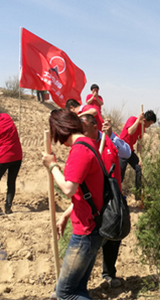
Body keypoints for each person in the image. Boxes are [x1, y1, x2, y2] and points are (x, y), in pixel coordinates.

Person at [57, 114, 130, 289]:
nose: (79, 127)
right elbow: (84, 191)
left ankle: (107, 275)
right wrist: (67, 214)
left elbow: (127, 152)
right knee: (89, 248)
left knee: (112, 242)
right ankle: (71, 287)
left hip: (112, 205)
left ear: (94, 125)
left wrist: (112, 135)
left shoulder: (107, 144)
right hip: (94, 209)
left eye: (82, 122)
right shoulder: (83, 148)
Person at [42, 109, 104, 300]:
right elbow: (84, 192)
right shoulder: (89, 144)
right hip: (92, 226)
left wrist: (52, 166)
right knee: (78, 288)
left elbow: (68, 189)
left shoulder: (80, 150)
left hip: (86, 230)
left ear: (59, 129)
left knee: (65, 293)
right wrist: (66, 214)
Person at [119, 110, 157, 199]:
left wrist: (140, 158)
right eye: (149, 124)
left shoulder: (143, 128)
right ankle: (117, 195)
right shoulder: (132, 119)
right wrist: (138, 120)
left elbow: (139, 144)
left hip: (130, 151)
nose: (149, 126)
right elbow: (130, 132)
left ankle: (138, 194)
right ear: (144, 120)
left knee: (139, 169)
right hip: (121, 150)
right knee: (120, 175)